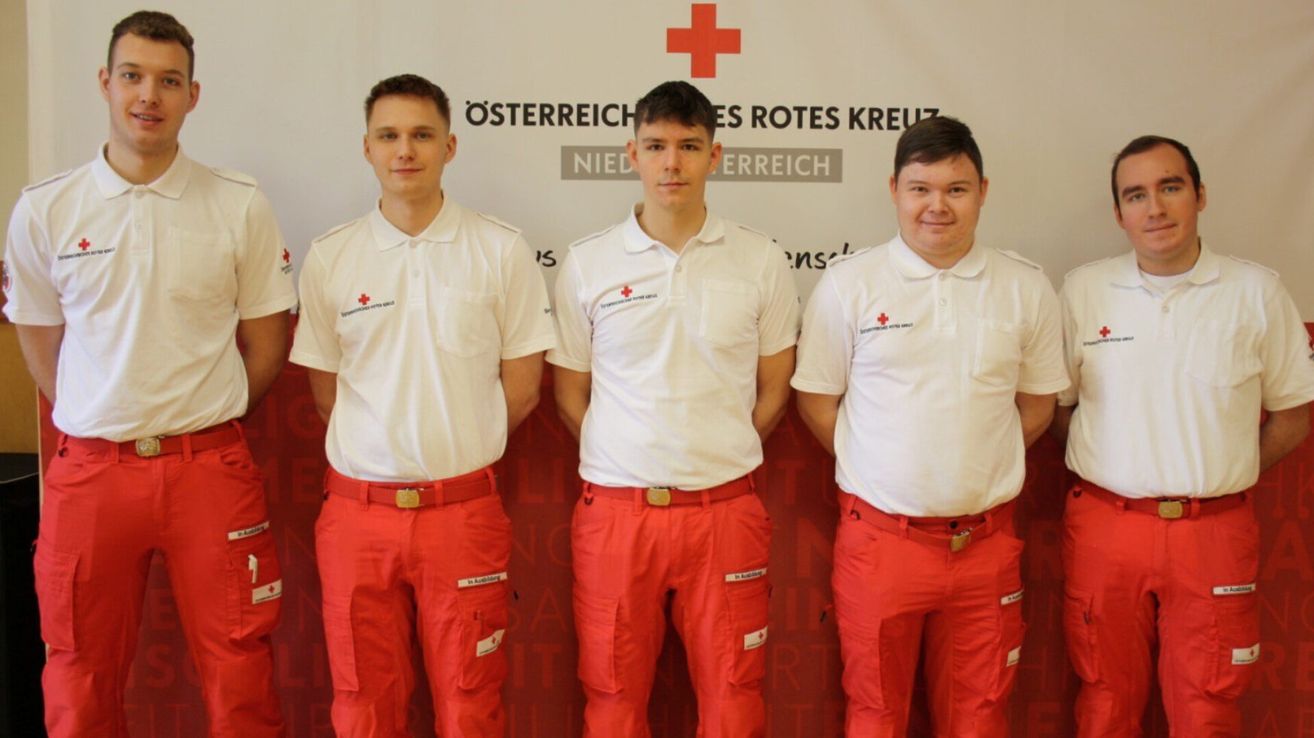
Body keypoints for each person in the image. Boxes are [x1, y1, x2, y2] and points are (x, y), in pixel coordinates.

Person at [1, 11, 293, 737]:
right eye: (132, 76)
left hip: (209, 469)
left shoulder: (237, 204)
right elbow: (41, 345)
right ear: (105, 83)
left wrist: (209, 415)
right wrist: (94, 410)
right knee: (79, 674)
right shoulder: (46, 209)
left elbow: (265, 343)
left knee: (240, 672)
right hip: (93, 475)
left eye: (168, 81)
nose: (148, 96)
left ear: (193, 95)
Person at [289, 73, 555, 738]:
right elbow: (327, 390)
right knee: (362, 705)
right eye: (389, 136)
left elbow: (522, 388)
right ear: (367, 148)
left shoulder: (500, 250)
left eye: (421, 135)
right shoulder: (332, 256)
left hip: (461, 515)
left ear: (450, 146)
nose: (404, 150)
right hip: (358, 516)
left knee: (471, 703)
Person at [792, 115, 1068, 736]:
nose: (936, 206)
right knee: (875, 715)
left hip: (988, 547)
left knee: (981, 717)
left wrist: (977, 458)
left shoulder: (1026, 288)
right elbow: (817, 404)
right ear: (894, 189)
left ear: (983, 191)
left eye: (956, 189)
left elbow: (1036, 406)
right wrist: (887, 464)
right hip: (881, 544)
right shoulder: (848, 285)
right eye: (921, 188)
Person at [549, 80, 799, 738]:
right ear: (631, 153)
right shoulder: (586, 263)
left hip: (725, 511)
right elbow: (570, 392)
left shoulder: (761, 260)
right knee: (611, 698)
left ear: (715, 156)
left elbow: (776, 386)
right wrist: (629, 452)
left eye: (689, 147)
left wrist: (716, 451)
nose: (672, 163)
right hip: (617, 516)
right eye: (657, 146)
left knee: (734, 701)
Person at [1052, 135, 1314, 737]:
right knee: (1105, 702)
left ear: (1199, 195)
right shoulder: (1083, 292)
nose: (1155, 208)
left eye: (1170, 188)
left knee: (1209, 710)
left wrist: (1226, 468)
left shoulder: (1257, 293)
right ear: (1119, 214)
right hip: (1106, 527)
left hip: (1214, 533)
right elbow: (1058, 408)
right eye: (1136, 195)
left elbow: (1294, 416)